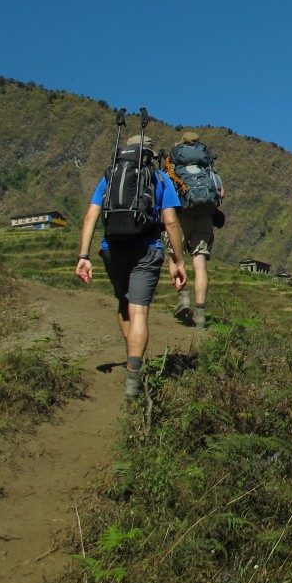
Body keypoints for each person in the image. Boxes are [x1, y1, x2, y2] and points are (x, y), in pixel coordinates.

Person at [75, 134, 188, 399]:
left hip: (111, 248)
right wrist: (178, 261)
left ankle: (130, 357)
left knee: (123, 304)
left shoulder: (111, 176)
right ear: (151, 154)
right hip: (147, 249)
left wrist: (84, 255)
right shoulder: (160, 179)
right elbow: (170, 222)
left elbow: (91, 214)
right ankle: (134, 376)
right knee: (139, 311)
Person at [165, 130, 226, 329]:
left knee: (174, 257)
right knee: (200, 265)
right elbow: (221, 193)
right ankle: (200, 314)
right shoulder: (207, 167)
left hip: (181, 219)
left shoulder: (174, 165)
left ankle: (183, 298)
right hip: (205, 220)